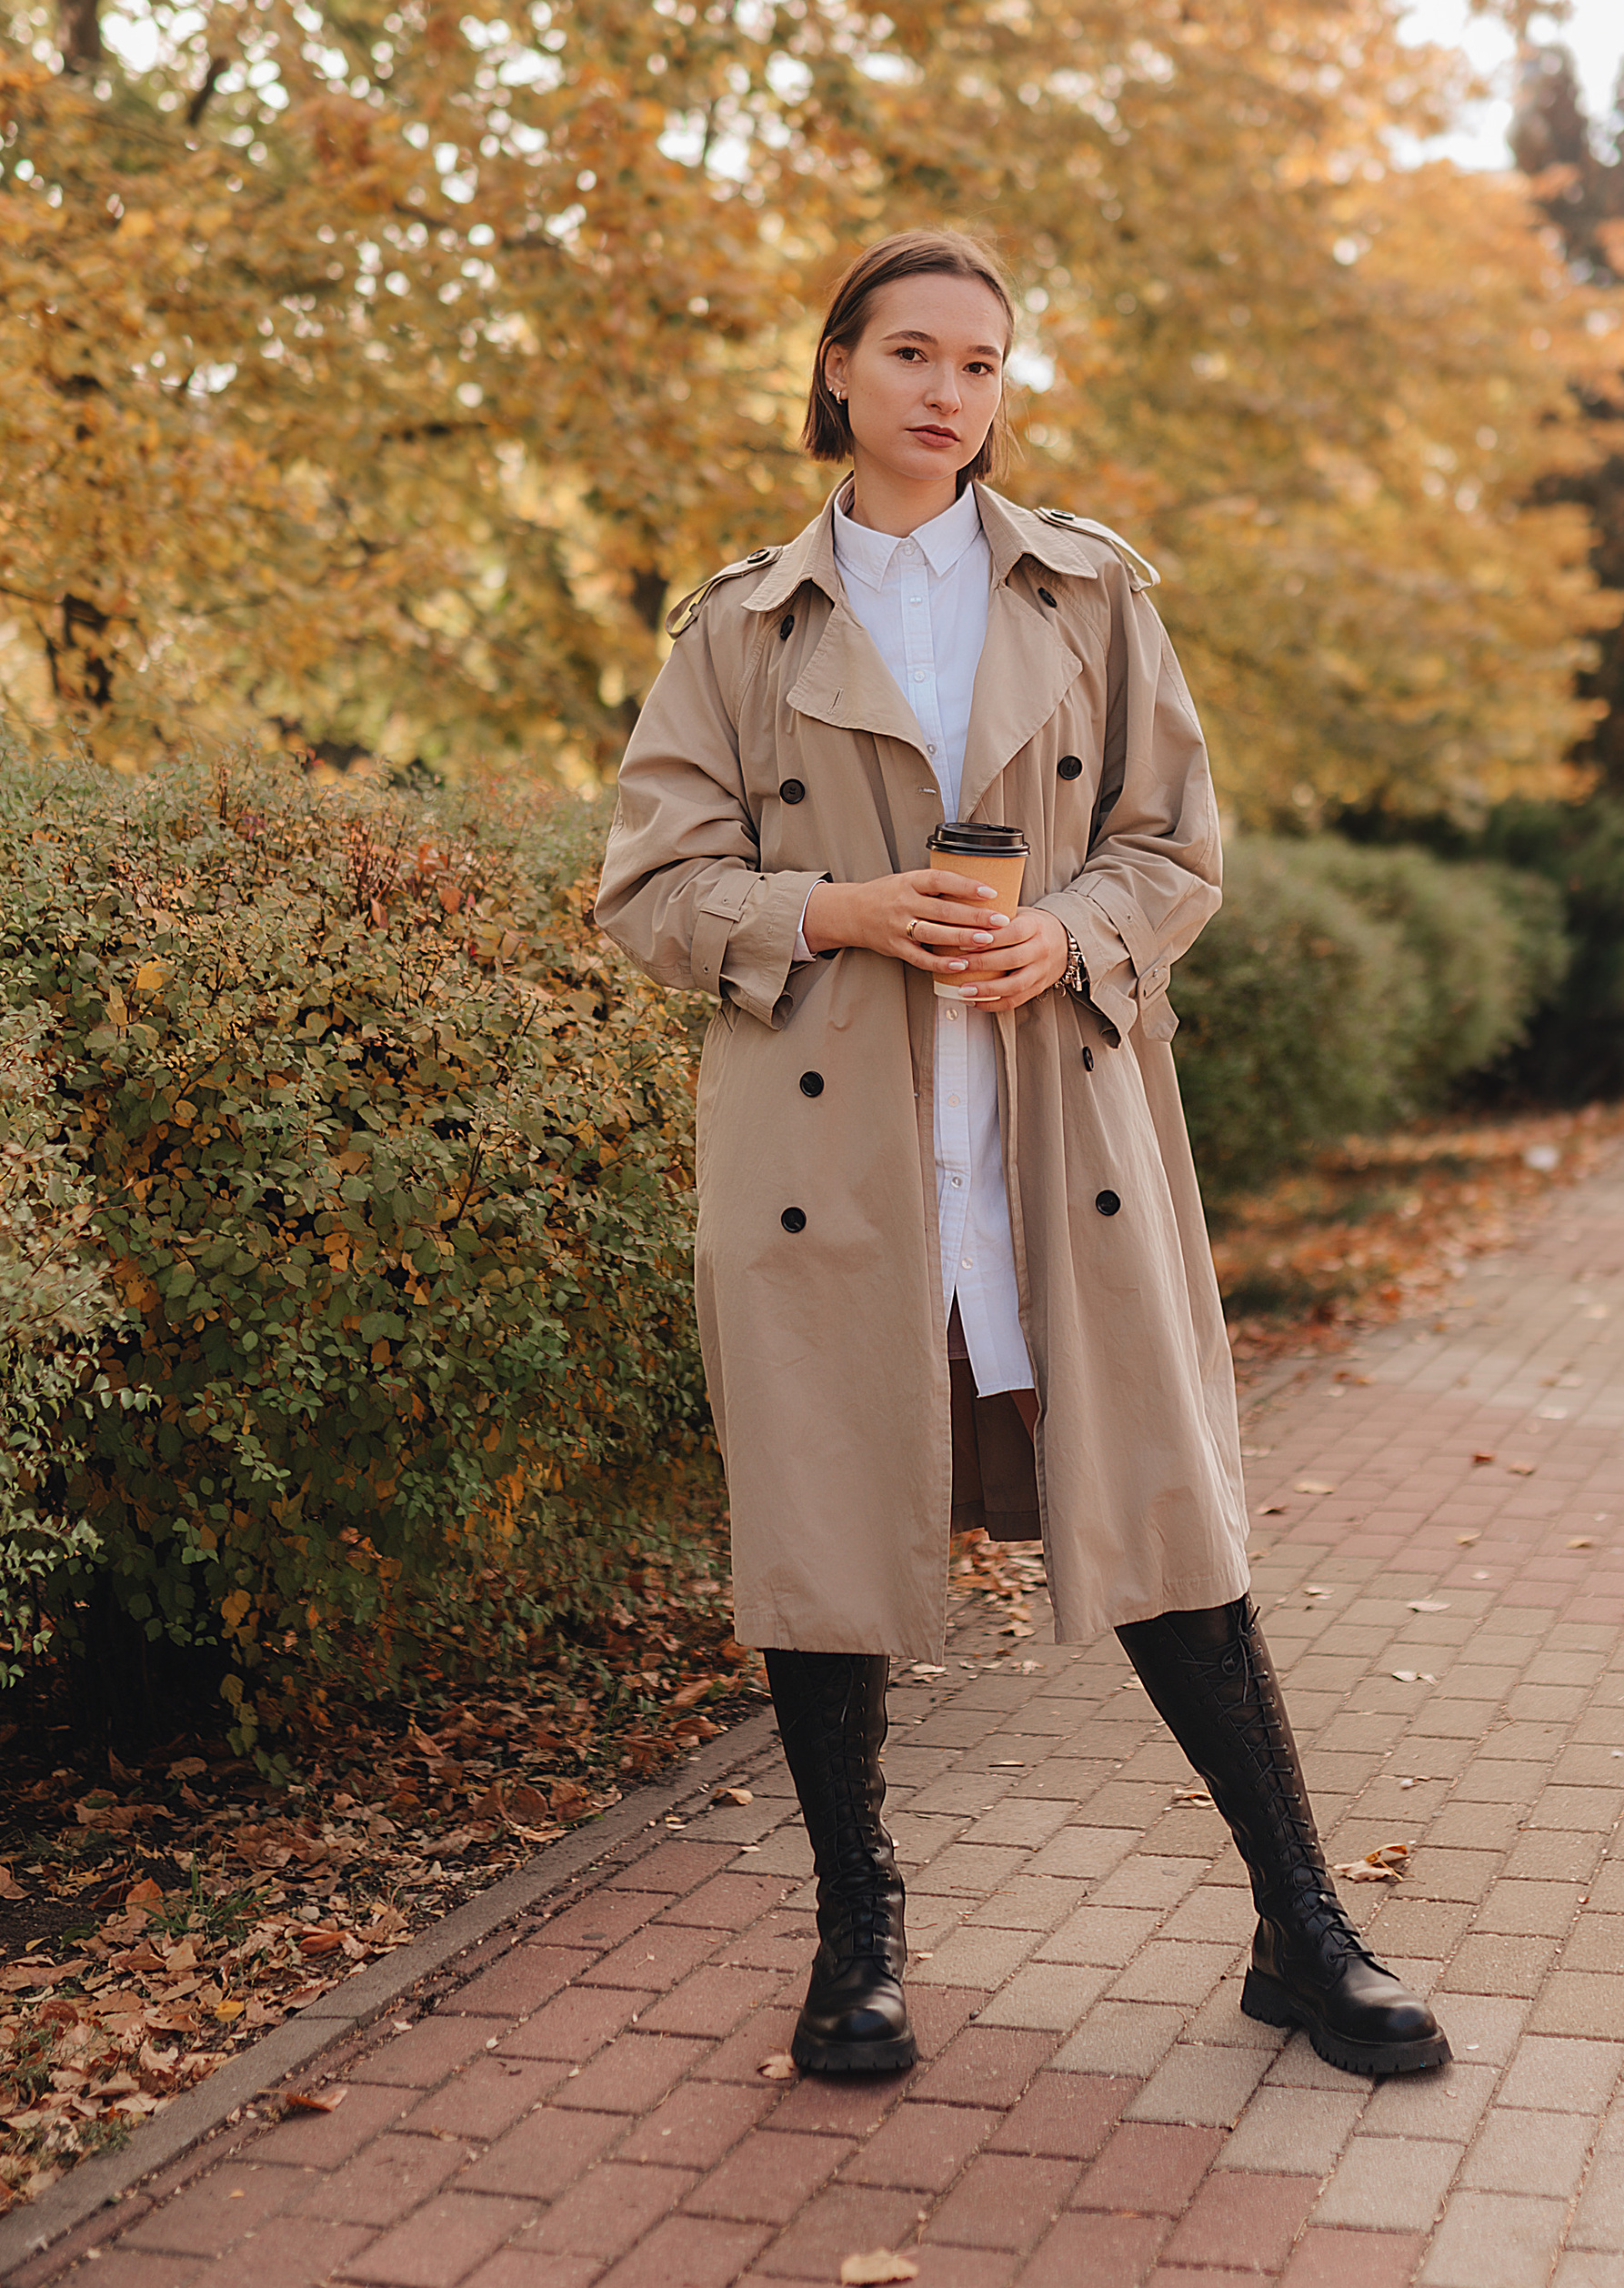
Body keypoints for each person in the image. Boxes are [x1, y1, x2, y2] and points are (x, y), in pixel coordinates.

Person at [596, 229, 1447, 2085]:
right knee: (821, 1537)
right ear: (836, 370)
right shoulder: (740, 629)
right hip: (832, 1142)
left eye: (979, 364)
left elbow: (1174, 842)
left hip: (1060, 1121)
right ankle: (856, 1939)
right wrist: (838, 911)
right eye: (909, 353)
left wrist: (1065, 935)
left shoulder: (1087, 594)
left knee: (1164, 1516)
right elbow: (650, 888)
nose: (945, 392)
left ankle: (1298, 1929)